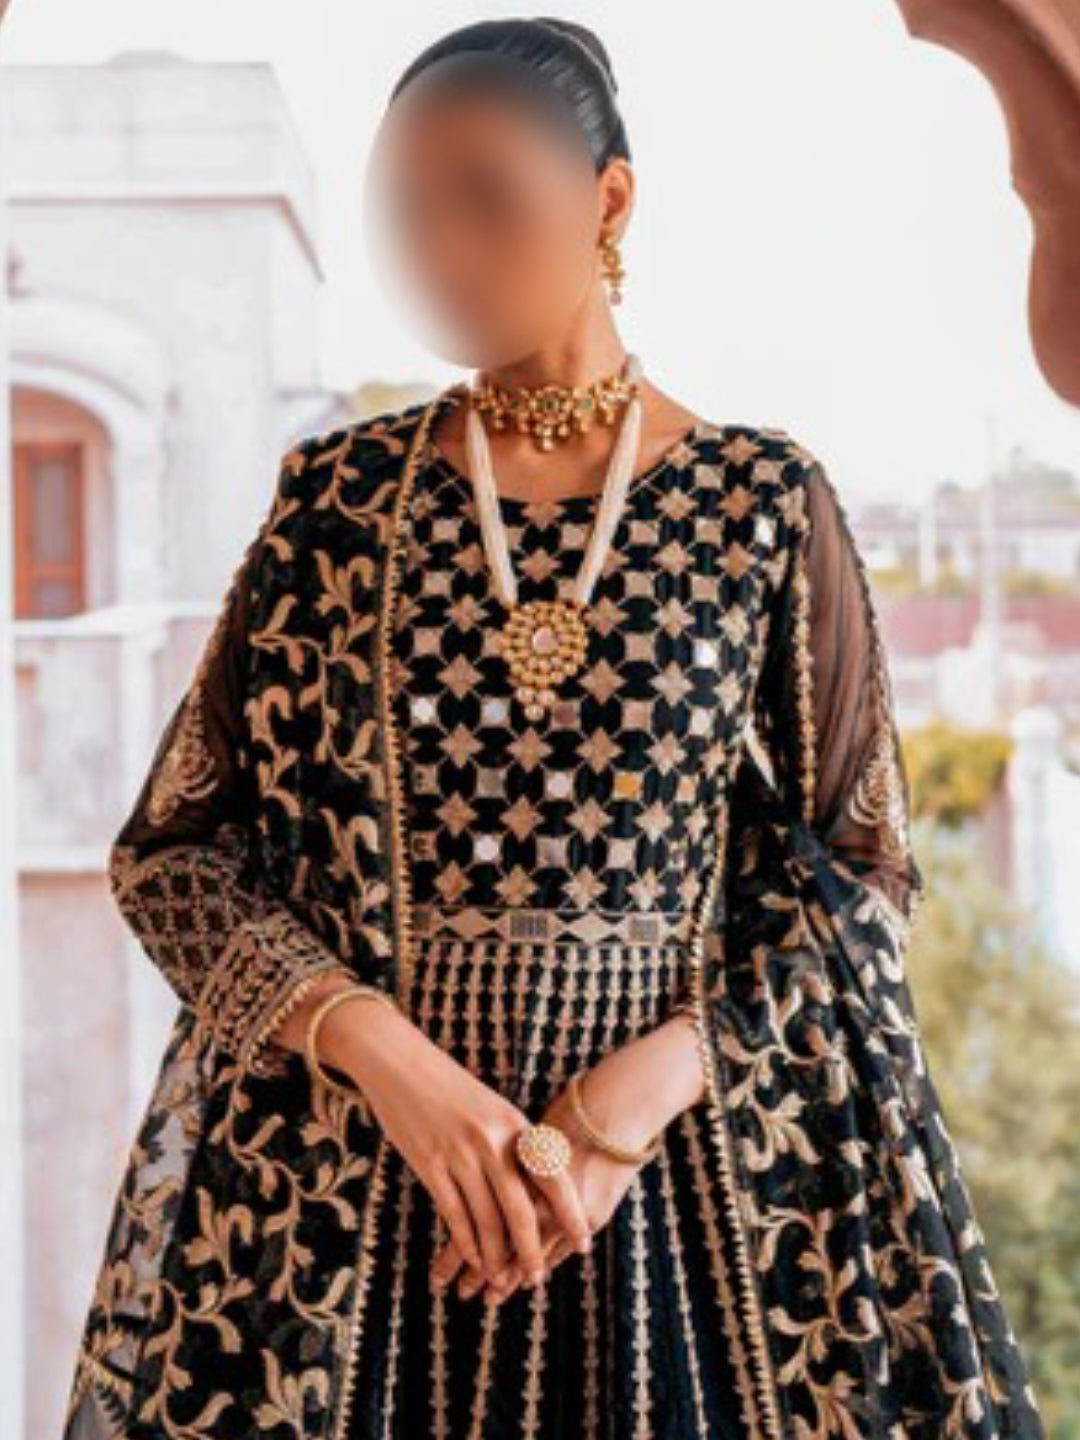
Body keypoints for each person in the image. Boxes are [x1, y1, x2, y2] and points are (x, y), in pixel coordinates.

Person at [62, 16, 1045, 1440]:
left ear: (609, 200)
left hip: (682, 1210)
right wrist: (394, 1067)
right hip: (358, 1210)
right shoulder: (337, 501)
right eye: (408, 214)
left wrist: (623, 1109)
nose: (443, 251)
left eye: (485, 199)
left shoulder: (762, 505)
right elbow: (173, 855)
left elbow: (865, 870)